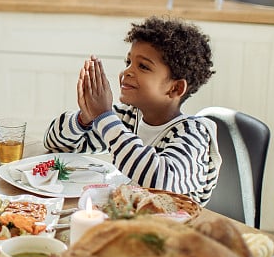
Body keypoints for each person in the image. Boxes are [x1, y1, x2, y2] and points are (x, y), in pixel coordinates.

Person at [43, 16, 221, 205]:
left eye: (143, 66)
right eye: (128, 62)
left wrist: (104, 117)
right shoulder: (127, 117)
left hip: (177, 230)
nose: (127, 71)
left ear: (175, 89)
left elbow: (160, 179)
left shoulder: (193, 135)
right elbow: (56, 144)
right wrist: (84, 119)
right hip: (132, 222)